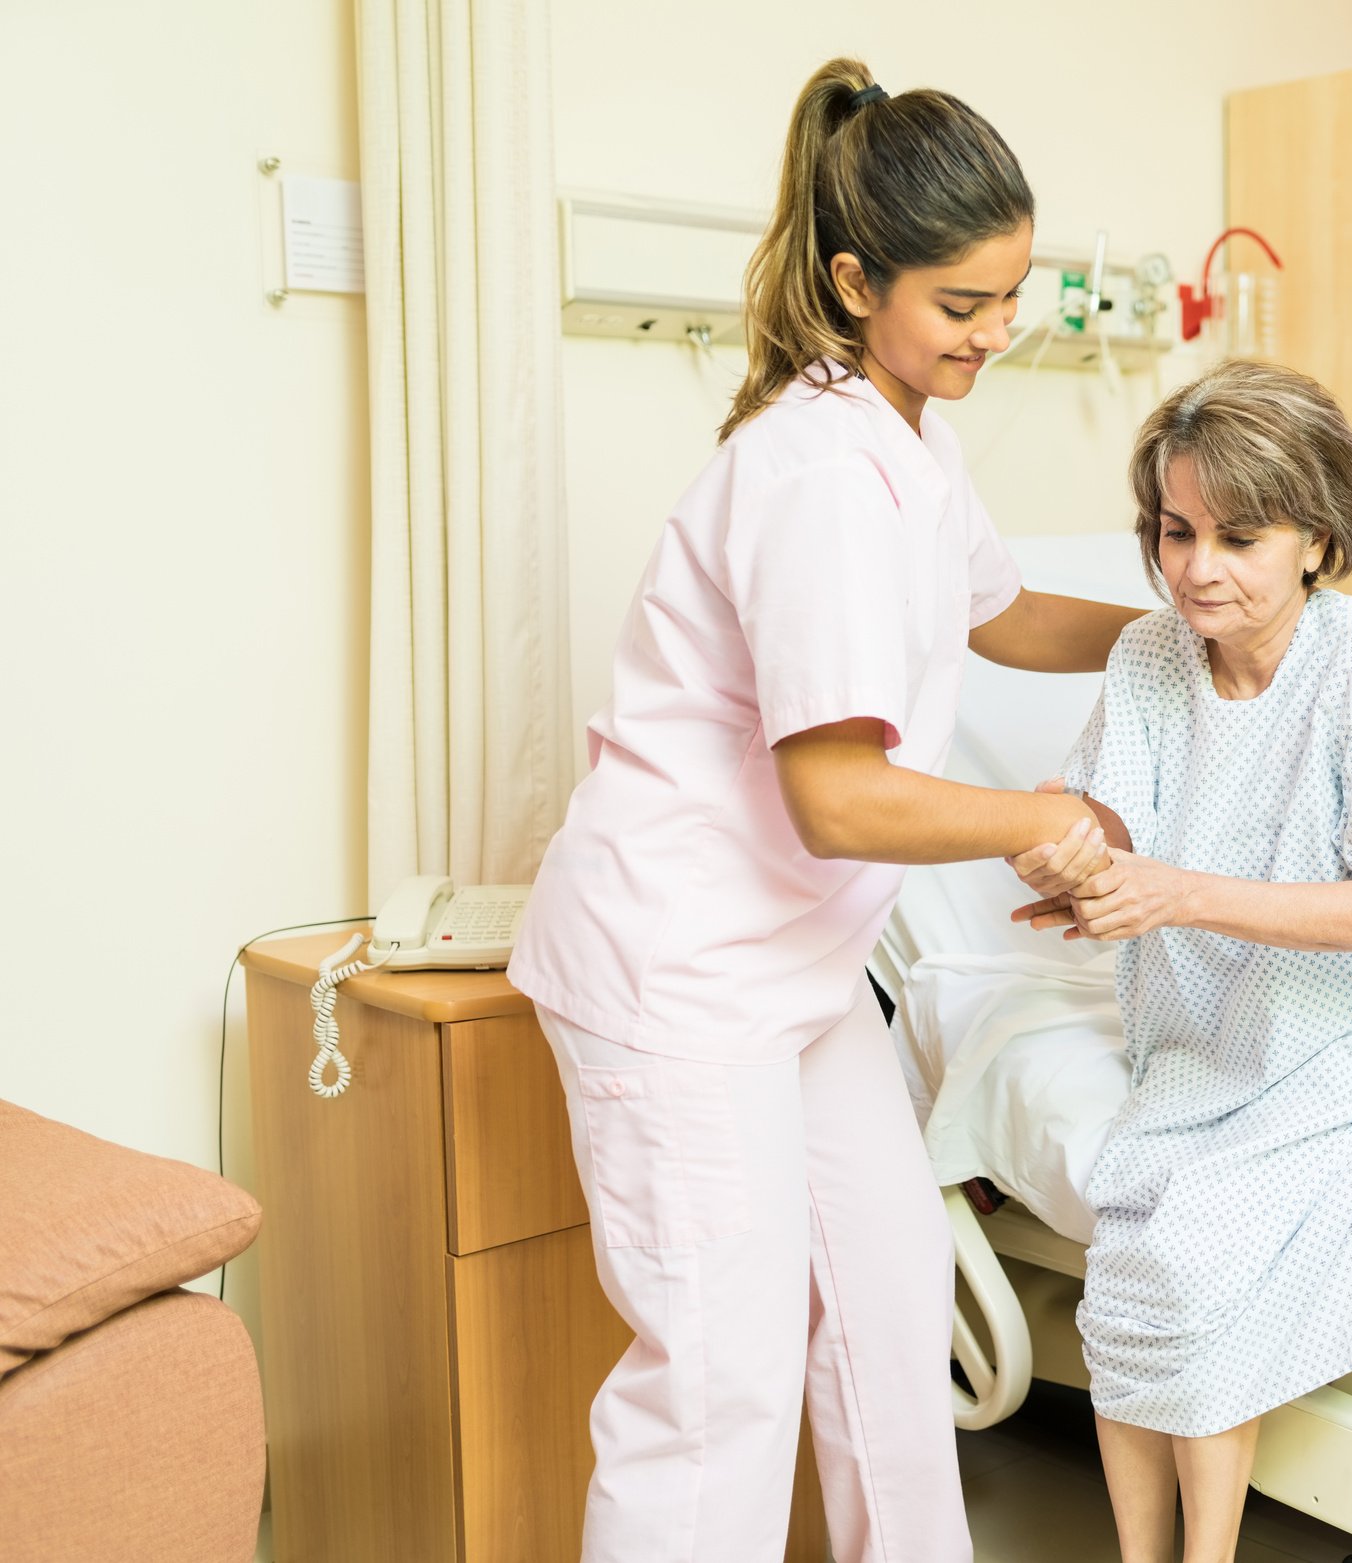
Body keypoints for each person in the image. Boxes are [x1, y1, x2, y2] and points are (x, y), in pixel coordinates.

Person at [507, 56, 1141, 1563]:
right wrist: (1044, 814)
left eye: (1013, 293)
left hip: (792, 967)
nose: (999, 331)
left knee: (884, 1301)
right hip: (679, 968)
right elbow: (837, 795)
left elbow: (997, 614)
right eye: (962, 304)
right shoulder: (811, 478)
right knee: (717, 1386)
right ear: (859, 281)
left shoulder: (907, 436)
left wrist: (1184, 621)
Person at [1014, 361, 1352, 1563]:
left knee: (1190, 1249)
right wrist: (1073, 859)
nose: (1198, 568)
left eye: (1240, 536)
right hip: (1208, 1015)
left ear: (1317, 537)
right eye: (1177, 532)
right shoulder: (1149, 657)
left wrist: (1174, 891)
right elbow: (1121, 822)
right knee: (1131, 1249)